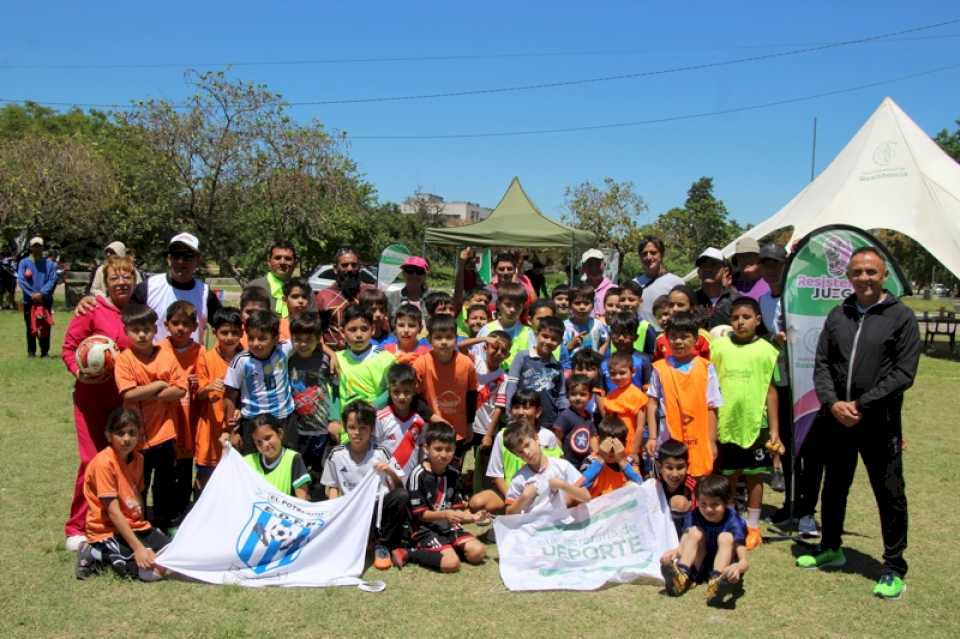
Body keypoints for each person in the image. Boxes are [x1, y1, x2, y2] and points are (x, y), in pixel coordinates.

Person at [796, 246, 920, 601]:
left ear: (884, 276)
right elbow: (822, 364)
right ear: (848, 276)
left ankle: (894, 567)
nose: (864, 278)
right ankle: (831, 547)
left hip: (878, 421)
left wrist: (861, 404)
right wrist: (833, 404)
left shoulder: (901, 317)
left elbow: (903, 373)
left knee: (890, 493)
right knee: (834, 487)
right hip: (836, 420)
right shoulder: (838, 315)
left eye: (871, 272)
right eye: (857, 272)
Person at [61, 254, 136, 550]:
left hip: (124, 400)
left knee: (121, 460)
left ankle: (115, 521)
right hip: (91, 398)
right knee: (91, 461)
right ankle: (77, 527)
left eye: (127, 277)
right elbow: (68, 348)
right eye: (115, 277)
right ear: (106, 282)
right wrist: (78, 370)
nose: (122, 282)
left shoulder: (138, 312)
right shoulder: (92, 309)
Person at [711, 297, 781, 550]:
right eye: (735, 318)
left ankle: (753, 526)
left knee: (755, 478)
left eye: (746, 317)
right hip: (726, 423)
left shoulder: (767, 350)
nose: (740, 322)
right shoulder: (718, 348)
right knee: (727, 478)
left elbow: (772, 392)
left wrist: (774, 431)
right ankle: (731, 523)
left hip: (756, 425)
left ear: (757, 320)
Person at [113, 303, 188, 531]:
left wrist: (145, 393)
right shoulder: (124, 359)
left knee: (164, 483)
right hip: (136, 438)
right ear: (126, 331)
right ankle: (139, 523)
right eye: (136, 330)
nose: (142, 334)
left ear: (156, 330)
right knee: (138, 484)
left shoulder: (166, 356)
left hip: (165, 434)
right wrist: (158, 385)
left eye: (146, 329)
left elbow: (180, 389)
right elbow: (128, 393)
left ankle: (163, 523)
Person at [75, 409, 171, 581]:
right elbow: (113, 513)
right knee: (148, 573)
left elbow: (137, 497)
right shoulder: (104, 463)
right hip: (108, 530)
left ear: (139, 435)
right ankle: (93, 552)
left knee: (173, 553)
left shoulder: (139, 459)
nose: (127, 439)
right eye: (120, 433)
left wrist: (146, 532)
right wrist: (138, 548)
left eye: (132, 433)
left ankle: (134, 547)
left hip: (134, 526)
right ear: (108, 435)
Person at [77, 232, 221, 343]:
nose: (180, 261)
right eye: (176, 256)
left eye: (187, 256)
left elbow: (227, 327)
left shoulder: (205, 294)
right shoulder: (148, 288)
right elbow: (119, 312)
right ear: (169, 259)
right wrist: (89, 300)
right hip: (154, 373)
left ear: (198, 260)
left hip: (193, 374)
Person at [321, 401, 407, 570]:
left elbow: (399, 486)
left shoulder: (381, 452)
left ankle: (382, 544)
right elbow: (331, 487)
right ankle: (359, 540)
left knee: (401, 496)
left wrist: (389, 471)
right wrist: (335, 508)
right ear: (345, 427)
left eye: (363, 428)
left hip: (377, 509)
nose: (357, 433)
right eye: (352, 427)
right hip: (351, 510)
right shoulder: (336, 455)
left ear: (372, 429)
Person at [399, 422, 488, 572]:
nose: (444, 454)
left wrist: (474, 517)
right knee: (451, 564)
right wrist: (446, 515)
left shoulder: (454, 474)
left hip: (448, 527)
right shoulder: (418, 475)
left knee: (478, 553)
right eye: (438, 449)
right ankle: (409, 552)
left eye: (449, 449)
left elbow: (456, 511)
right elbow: (420, 515)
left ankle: (448, 547)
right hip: (424, 529)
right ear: (426, 448)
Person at [646, 311, 722, 480]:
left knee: (699, 479)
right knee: (671, 478)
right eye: (673, 337)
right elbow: (652, 403)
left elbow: (712, 407)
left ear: (696, 340)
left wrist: (712, 441)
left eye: (684, 337)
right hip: (668, 437)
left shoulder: (706, 367)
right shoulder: (659, 368)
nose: (678, 341)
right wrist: (652, 436)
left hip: (699, 437)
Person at [468, 391, 562, 516]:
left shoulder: (548, 436)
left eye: (526, 407)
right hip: (511, 493)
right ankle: (506, 514)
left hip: (541, 493)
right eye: (517, 407)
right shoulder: (503, 436)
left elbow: (556, 470)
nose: (521, 412)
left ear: (538, 412)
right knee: (477, 502)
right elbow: (497, 476)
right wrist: (512, 500)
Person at [660, 474, 749, 604]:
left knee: (726, 537)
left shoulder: (734, 521)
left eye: (715, 504)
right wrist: (674, 552)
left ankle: (716, 584)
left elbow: (744, 562)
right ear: (697, 501)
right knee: (695, 532)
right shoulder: (694, 515)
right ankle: (682, 577)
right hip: (700, 565)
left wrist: (737, 568)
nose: (708, 509)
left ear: (727, 502)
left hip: (724, 570)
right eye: (703, 504)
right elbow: (683, 545)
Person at [223, 310, 295, 454]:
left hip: (284, 419)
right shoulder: (241, 361)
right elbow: (230, 396)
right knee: (254, 468)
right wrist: (232, 431)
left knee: (287, 462)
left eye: (262, 338)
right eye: (251, 338)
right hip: (253, 422)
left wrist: (331, 354)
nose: (255, 343)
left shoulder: (284, 350)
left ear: (275, 338)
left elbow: (308, 336)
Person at [159, 300, 205, 521]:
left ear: (195, 327)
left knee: (186, 471)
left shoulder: (201, 352)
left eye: (186, 324)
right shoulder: (159, 350)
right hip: (165, 423)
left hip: (191, 421)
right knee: (165, 472)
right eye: (175, 323)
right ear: (166, 324)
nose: (180, 328)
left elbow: (209, 381)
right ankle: (163, 514)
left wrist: (200, 381)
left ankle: (182, 515)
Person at [413, 315, 478, 468]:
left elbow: (472, 396)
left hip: (458, 431)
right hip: (431, 430)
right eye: (438, 337)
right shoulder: (421, 363)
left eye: (449, 337)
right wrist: (434, 418)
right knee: (429, 471)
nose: (443, 342)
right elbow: (414, 399)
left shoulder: (466, 363)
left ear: (456, 338)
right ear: (429, 339)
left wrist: (469, 425)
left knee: (453, 472)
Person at [193, 307, 242, 491]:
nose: (229, 337)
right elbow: (198, 393)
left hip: (236, 427)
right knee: (206, 476)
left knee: (233, 476)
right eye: (224, 332)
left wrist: (239, 410)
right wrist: (209, 387)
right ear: (215, 333)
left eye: (234, 332)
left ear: (241, 332)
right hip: (210, 428)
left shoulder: (245, 357)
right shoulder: (206, 358)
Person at [287, 311, 340, 481]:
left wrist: (335, 418)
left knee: (323, 475)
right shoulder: (287, 359)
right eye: (298, 339)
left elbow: (336, 391)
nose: (302, 344)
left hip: (322, 430)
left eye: (308, 340)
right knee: (299, 476)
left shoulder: (326, 361)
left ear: (318, 339)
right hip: (297, 430)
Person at [504, 419, 590, 515]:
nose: (526, 453)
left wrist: (563, 485)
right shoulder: (519, 479)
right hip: (532, 527)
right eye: (520, 452)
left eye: (527, 445)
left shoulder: (562, 466)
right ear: (517, 455)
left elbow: (586, 496)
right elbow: (509, 514)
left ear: (536, 438)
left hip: (560, 524)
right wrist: (524, 497)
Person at [507, 316, 567, 428]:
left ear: (560, 342)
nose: (548, 341)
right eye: (545, 336)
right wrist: (510, 415)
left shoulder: (557, 366)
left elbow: (561, 396)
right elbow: (511, 387)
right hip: (522, 419)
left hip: (549, 421)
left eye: (554, 339)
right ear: (536, 334)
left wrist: (563, 421)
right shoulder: (523, 357)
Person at [471, 330, 511, 492]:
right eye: (495, 347)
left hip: (485, 429)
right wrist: (483, 338)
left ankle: (480, 496)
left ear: (507, 356)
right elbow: (459, 346)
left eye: (503, 351)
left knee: (483, 468)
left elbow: (499, 408)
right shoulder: (475, 362)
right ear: (485, 347)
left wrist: (488, 434)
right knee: (461, 465)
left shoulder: (504, 378)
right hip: (466, 426)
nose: (498, 353)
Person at [335, 304, 396, 410]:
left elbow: (394, 389)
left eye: (364, 329)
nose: (359, 334)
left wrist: (372, 407)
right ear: (342, 332)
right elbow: (334, 393)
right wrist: (334, 419)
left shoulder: (386, 358)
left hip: (375, 419)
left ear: (372, 330)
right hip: (346, 422)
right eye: (352, 329)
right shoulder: (336, 359)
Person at [314, 247, 374, 350]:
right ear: (335, 269)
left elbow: (384, 328)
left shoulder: (371, 292)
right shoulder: (323, 297)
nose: (350, 269)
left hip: (369, 355)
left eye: (354, 265)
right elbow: (315, 332)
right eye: (344, 265)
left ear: (359, 268)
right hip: (335, 358)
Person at [242, 414, 311, 499]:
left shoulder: (293, 459)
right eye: (259, 442)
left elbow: (301, 499)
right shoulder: (247, 462)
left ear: (280, 433)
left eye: (268, 438)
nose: (265, 445)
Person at [601, 351, 649, 464]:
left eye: (622, 373)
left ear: (633, 372)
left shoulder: (637, 396)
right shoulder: (611, 395)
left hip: (628, 446)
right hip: (610, 446)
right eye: (613, 373)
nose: (617, 377)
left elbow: (640, 428)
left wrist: (634, 451)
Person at [474, 282, 533, 371]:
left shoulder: (528, 333)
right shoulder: (486, 330)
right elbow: (478, 358)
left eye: (518, 306)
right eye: (508, 305)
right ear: (498, 304)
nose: (513, 309)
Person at [581, 416, 644, 497]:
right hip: (597, 505)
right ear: (599, 441)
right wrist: (601, 459)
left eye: (615, 447)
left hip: (622, 505)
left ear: (624, 444)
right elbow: (580, 486)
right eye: (607, 445)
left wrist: (622, 462)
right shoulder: (590, 461)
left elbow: (641, 484)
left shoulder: (628, 462)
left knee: (631, 484)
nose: (611, 451)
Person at [17, 236, 58, 357]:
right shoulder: (24, 263)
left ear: (42, 247)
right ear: (30, 247)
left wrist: (42, 293)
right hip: (29, 300)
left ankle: (45, 352)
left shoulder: (49, 264)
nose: (37, 248)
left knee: (45, 325)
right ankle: (31, 352)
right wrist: (32, 294)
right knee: (30, 325)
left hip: (45, 300)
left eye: (39, 246)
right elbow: (21, 280)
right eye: (34, 245)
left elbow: (52, 279)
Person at [652, 285, 712, 361]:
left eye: (680, 305)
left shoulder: (703, 337)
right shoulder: (660, 339)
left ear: (692, 308)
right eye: (671, 305)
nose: (674, 309)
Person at [633, 236, 684, 324]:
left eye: (653, 253)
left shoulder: (676, 283)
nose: (648, 257)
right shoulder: (634, 284)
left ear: (662, 254)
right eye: (644, 254)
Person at [552, 375, 599, 470]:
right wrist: (561, 458)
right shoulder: (566, 416)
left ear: (590, 396)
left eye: (582, 394)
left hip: (585, 462)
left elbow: (593, 436)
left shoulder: (589, 415)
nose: (578, 398)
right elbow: (557, 437)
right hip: (569, 464)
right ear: (567, 395)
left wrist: (596, 453)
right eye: (573, 394)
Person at [246, 240, 300, 318]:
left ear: (295, 263)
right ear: (269, 262)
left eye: (288, 258)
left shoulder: (303, 289)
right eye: (277, 258)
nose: (282, 262)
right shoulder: (255, 287)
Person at [561, 284, 610, 368]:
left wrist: (599, 355)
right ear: (569, 305)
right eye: (577, 303)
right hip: (572, 369)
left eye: (586, 303)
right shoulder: (564, 327)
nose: (582, 307)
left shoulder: (597, 324)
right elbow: (558, 351)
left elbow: (606, 339)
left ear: (593, 305)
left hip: (593, 368)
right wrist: (570, 346)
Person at [602, 312, 652, 392]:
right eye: (617, 334)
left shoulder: (643, 360)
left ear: (635, 337)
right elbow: (602, 391)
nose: (621, 338)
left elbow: (647, 386)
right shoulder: (604, 362)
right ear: (611, 335)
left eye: (626, 334)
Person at [693, 248, 737, 329]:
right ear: (699, 272)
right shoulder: (692, 301)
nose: (707, 269)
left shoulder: (736, 300)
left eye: (713, 265)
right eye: (703, 266)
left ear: (726, 271)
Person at [657, 439, 694, 535]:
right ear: (659, 467)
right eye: (669, 468)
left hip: (687, 532)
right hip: (662, 532)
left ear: (687, 466)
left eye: (680, 467)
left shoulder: (692, 486)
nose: (675, 474)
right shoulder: (655, 485)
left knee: (678, 502)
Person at [730, 237, 770, 301]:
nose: (746, 259)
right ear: (737, 259)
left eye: (750, 255)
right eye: (741, 256)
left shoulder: (771, 279)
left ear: (759, 258)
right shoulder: (730, 282)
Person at [580, 249, 615, 319]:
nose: (594, 267)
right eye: (589, 264)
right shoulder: (578, 290)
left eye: (597, 263)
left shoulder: (614, 289)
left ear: (604, 265)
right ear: (583, 267)